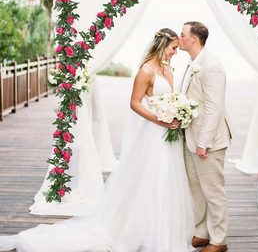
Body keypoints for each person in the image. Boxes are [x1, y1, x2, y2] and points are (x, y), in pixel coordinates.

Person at [0, 28, 195, 252]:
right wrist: (159, 119)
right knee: (151, 179)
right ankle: (141, 231)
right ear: (162, 46)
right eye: (173, 48)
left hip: (168, 136)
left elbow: (171, 97)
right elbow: (135, 103)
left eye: (177, 49)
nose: (175, 53)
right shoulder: (146, 70)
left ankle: (162, 232)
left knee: (167, 179)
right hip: (153, 133)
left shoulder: (168, 68)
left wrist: (177, 112)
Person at [179, 21, 232, 252]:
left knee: (213, 190)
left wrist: (204, 143)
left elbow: (213, 107)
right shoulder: (193, 63)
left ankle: (219, 239)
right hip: (190, 136)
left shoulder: (211, 66)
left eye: (182, 34)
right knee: (195, 188)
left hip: (208, 141)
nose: (178, 38)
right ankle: (202, 232)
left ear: (194, 39)